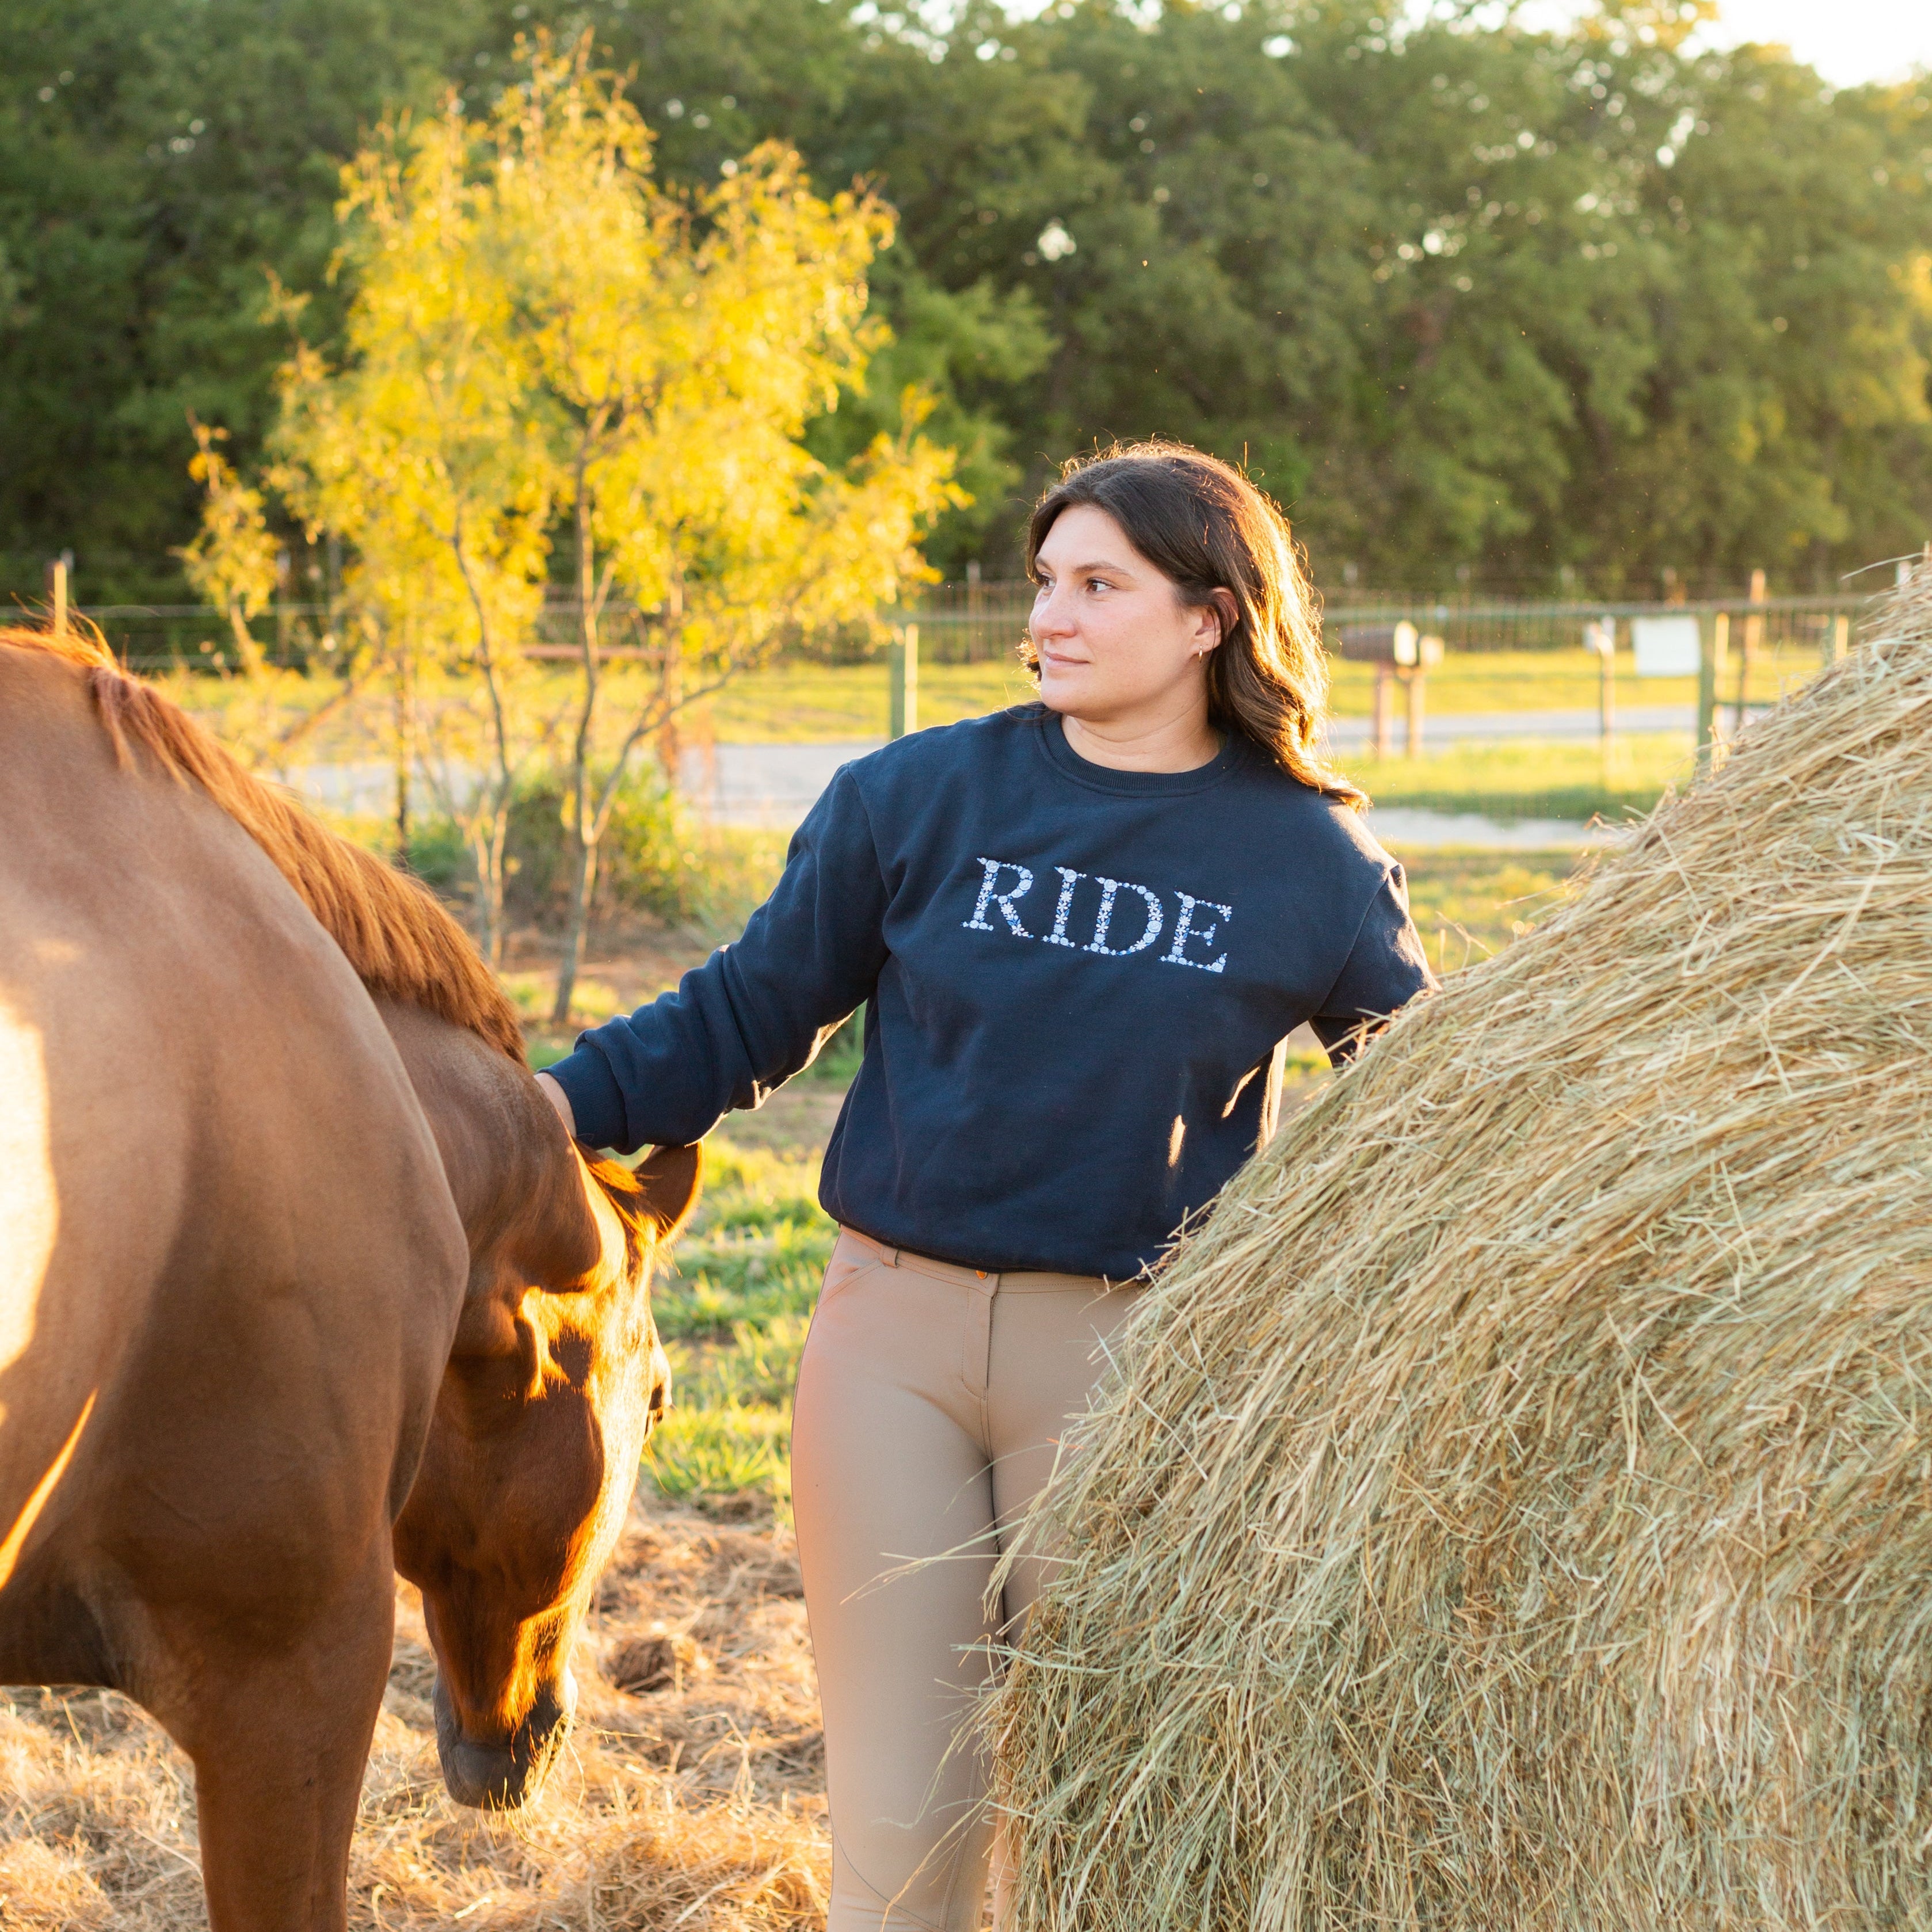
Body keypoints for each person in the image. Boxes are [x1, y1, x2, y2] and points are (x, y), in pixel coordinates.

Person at [538, 441, 1435, 1931]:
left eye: (1100, 585)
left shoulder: (1314, 864)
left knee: (1113, 1833)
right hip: (889, 1349)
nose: (1052, 617)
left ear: (1213, 616)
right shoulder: (918, 797)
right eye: (1044, 584)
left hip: (1137, 1371)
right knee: (908, 1839)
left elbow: (1429, 1118)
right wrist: (537, 1110)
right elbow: (745, 1018)